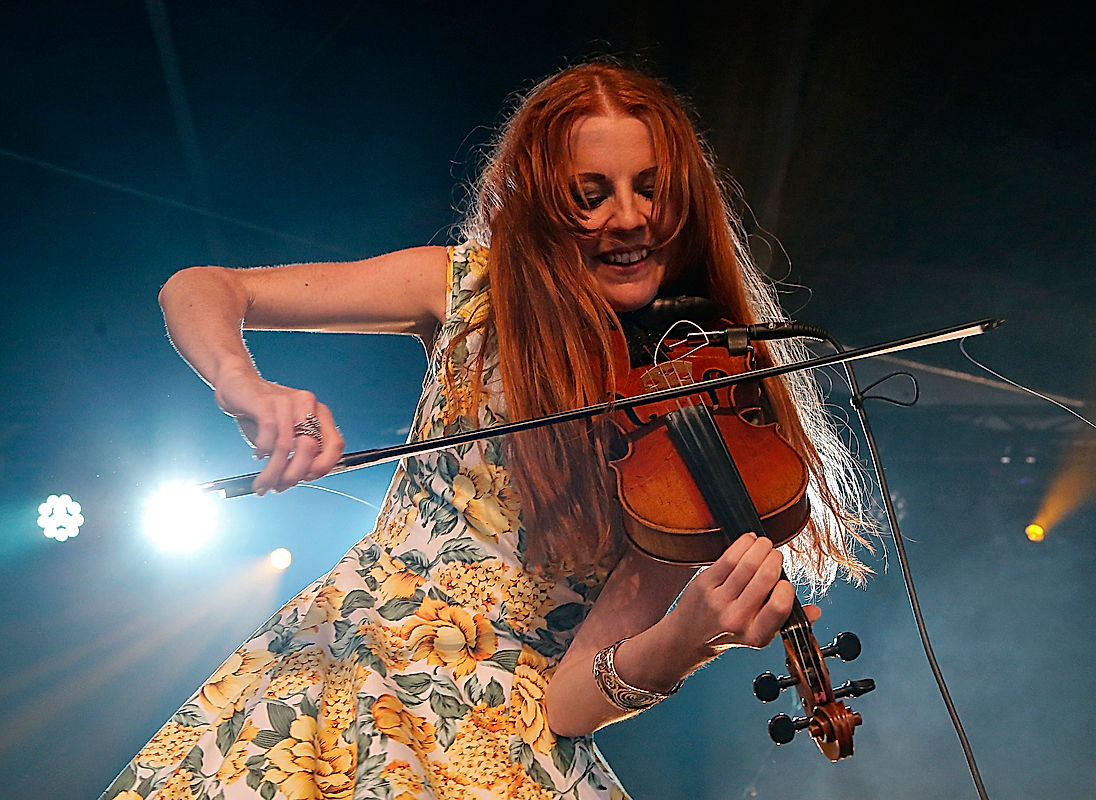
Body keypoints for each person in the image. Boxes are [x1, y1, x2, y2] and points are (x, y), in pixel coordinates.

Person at [101, 61, 869, 800]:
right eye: (590, 194)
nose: (628, 217)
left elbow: (567, 704)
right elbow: (203, 287)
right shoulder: (467, 291)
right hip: (342, 672)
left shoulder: (714, 395)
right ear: (540, 201)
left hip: (501, 743)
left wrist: (689, 639)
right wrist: (245, 385)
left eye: (650, 190)